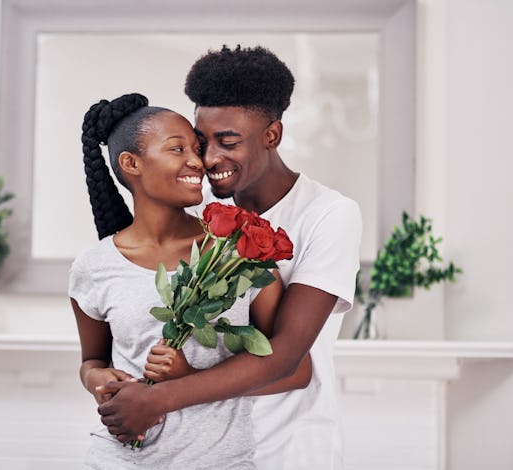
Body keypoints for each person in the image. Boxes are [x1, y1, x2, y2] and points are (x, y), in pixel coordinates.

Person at [96, 46, 362, 470]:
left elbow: (288, 355)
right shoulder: (198, 213)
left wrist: (158, 398)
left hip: (288, 449)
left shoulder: (330, 215)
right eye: (202, 142)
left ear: (272, 135)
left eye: (229, 141)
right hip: (203, 449)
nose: (209, 159)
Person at [69, 93, 307, 469]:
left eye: (196, 149)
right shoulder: (93, 266)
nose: (198, 161)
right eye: (178, 149)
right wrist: (97, 378)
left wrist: (188, 378)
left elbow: (296, 368)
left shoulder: (236, 252)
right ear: (131, 163)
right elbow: (92, 360)